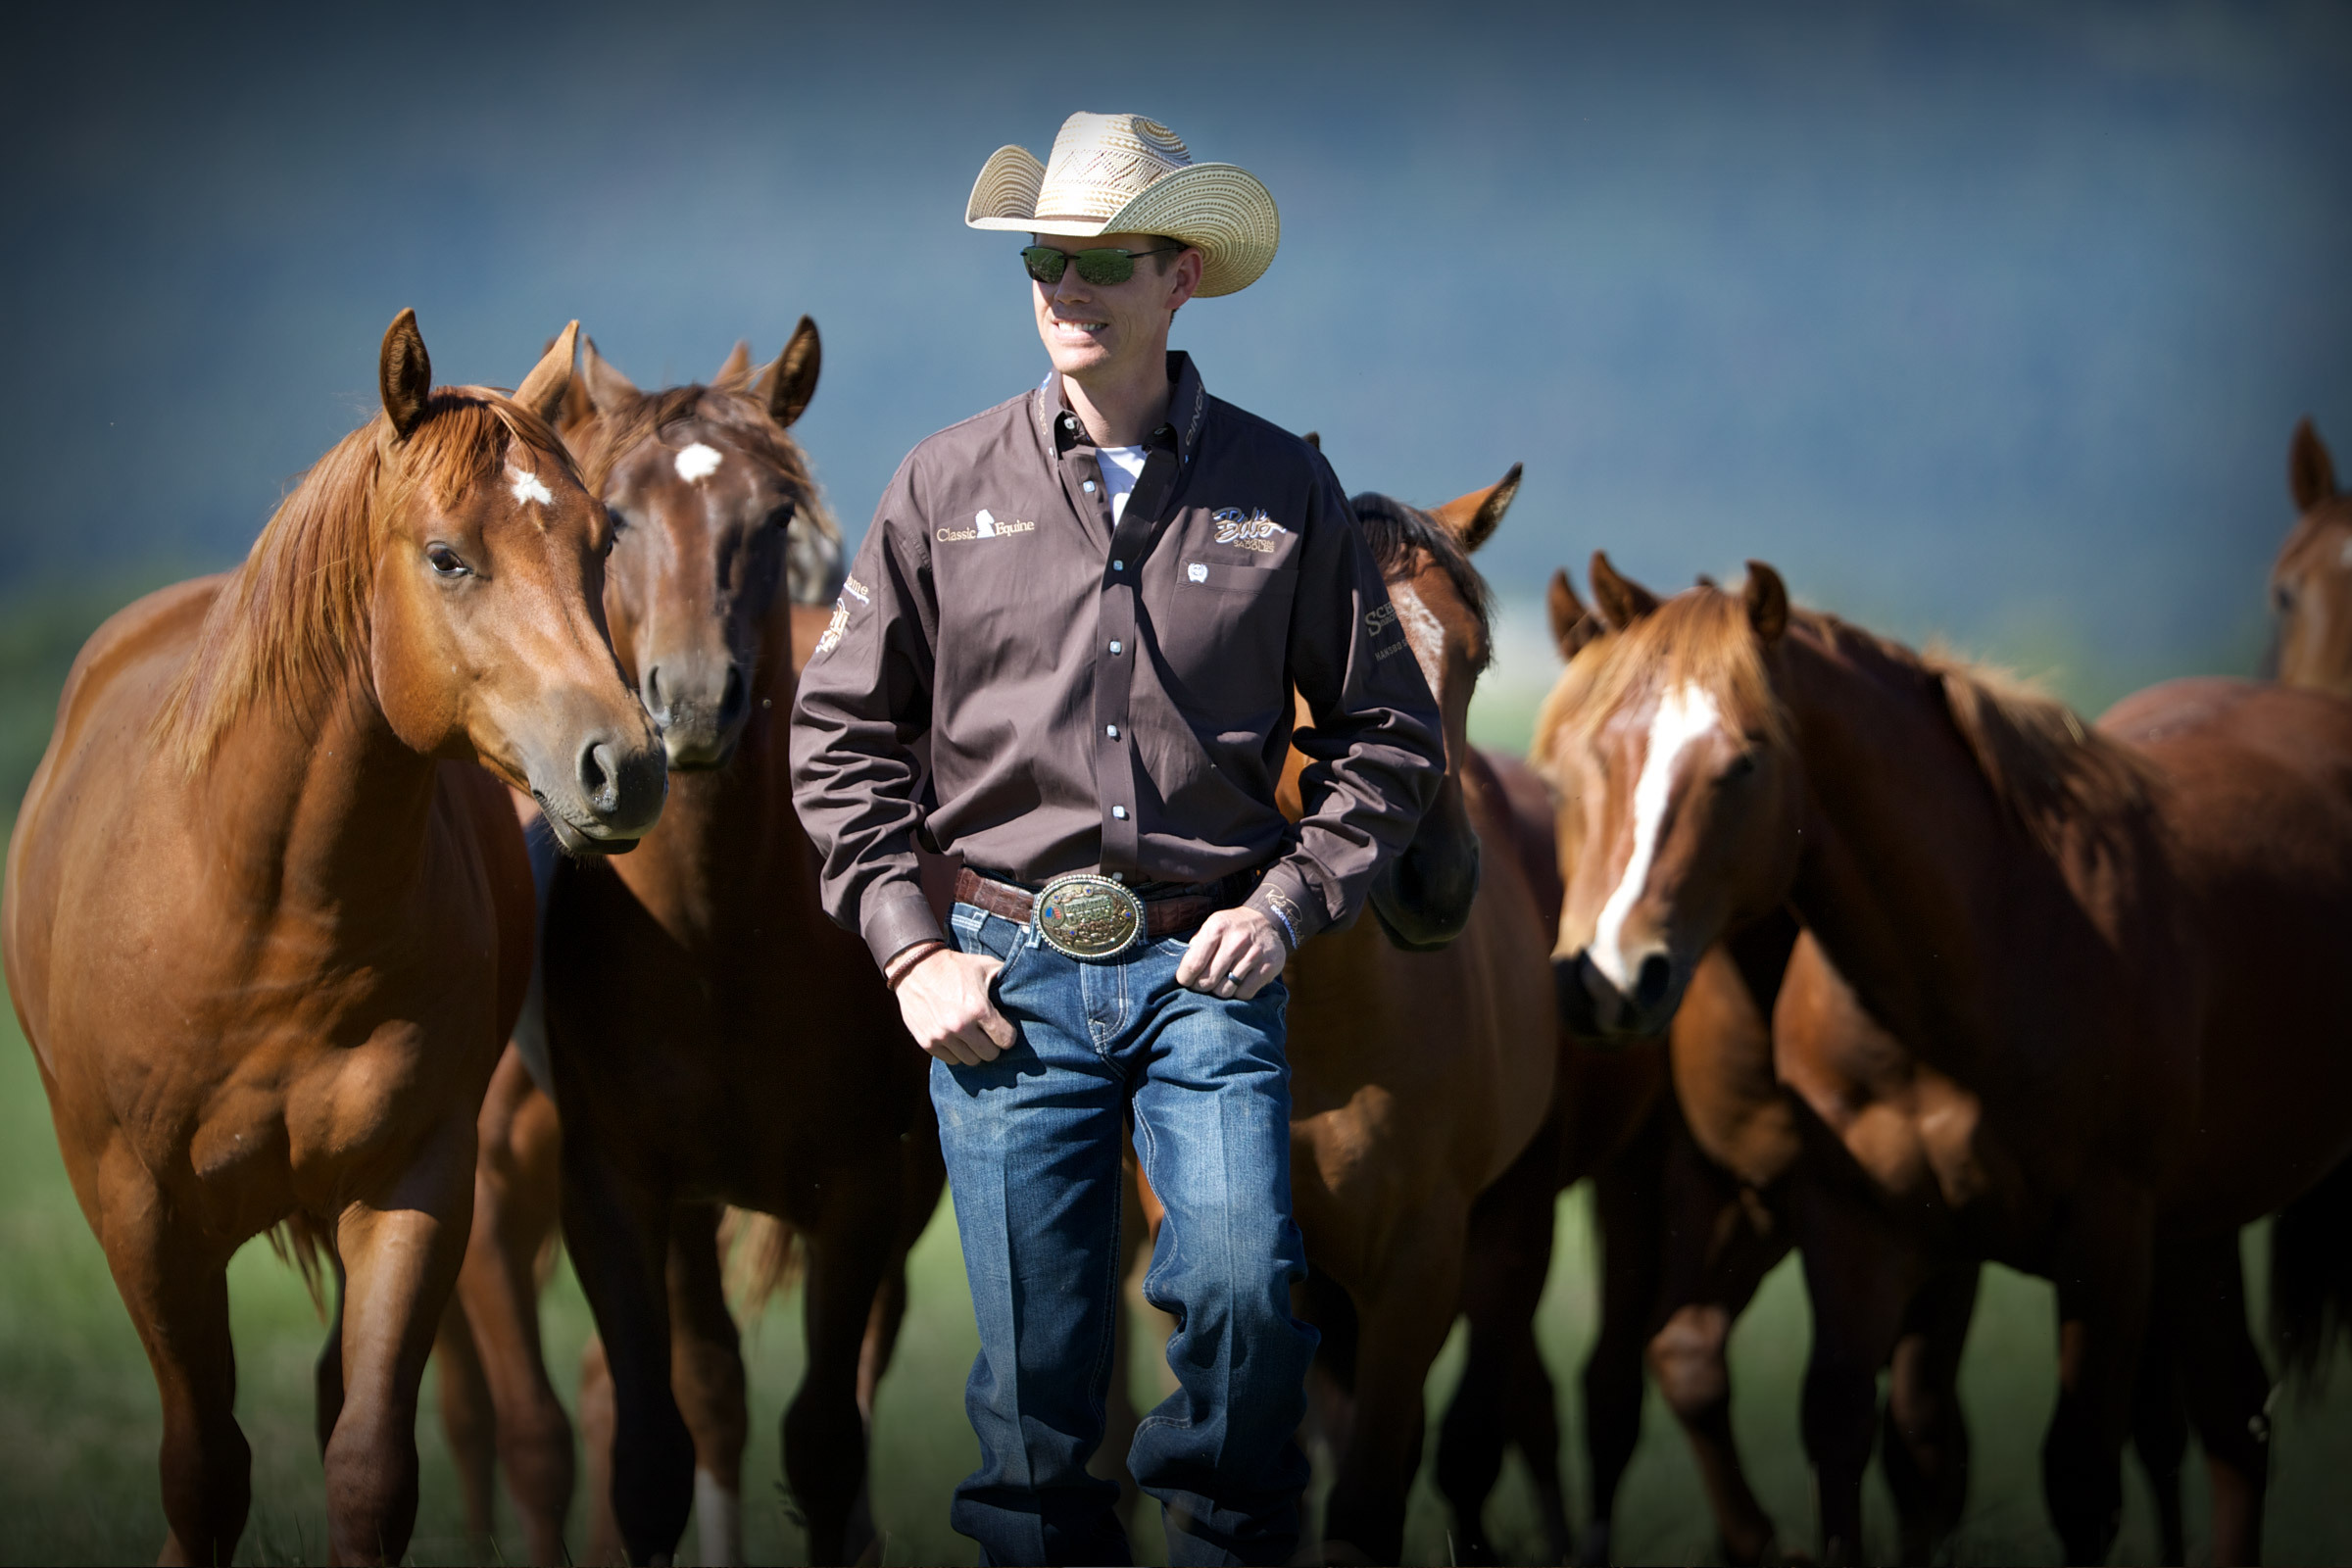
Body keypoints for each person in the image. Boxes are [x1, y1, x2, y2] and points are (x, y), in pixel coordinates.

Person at [789, 110, 1446, 1566]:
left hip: (1209, 973)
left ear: (1181, 279)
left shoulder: (1287, 492)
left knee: (1235, 1290)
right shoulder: (937, 488)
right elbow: (836, 739)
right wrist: (907, 956)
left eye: (1101, 263)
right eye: (1043, 262)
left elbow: (1390, 741)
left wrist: (1287, 908)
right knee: (1033, 1389)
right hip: (997, 979)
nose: (1066, 292)